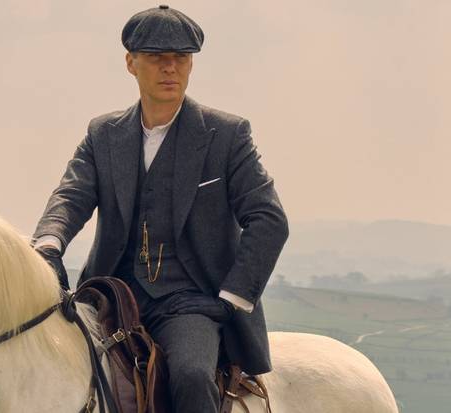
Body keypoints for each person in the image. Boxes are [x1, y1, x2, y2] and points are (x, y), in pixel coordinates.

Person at [32, 4, 289, 412]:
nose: (170, 68)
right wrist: (48, 245)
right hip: (111, 294)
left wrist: (229, 299)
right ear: (131, 63)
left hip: (189, 302)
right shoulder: (103, 133)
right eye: (156, 57)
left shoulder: (227, 135)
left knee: (191, 375)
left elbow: (269, 220)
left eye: (181, 57)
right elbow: (71, 195)